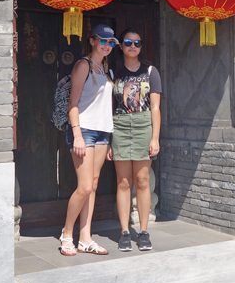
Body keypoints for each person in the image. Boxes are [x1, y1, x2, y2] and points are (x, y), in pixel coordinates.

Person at [59, 24, 118, 256]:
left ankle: (85, 238)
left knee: (93, 185)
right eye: (102, 40)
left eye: (111, 42)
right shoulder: (84, 65)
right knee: (83, 187)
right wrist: (77, 135)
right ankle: (66, 233)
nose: (107, 45)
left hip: (103, 132)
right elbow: (72, 104)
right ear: (92, 41)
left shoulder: (105, 69)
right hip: (84, 130)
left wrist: (109, 137)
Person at [108, 28, 162, 251]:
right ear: (120, 45)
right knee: (123, 182)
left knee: (142, 181)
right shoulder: (113, 72)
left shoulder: (150, 71)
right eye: (128, 42)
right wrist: (109, 137)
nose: (132, 46)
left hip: (143, 126)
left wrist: (155, 137)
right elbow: (107, 106)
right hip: (119, 125)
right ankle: (123, 232)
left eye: (137, 43)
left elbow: (156, 107)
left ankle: (143, 231)